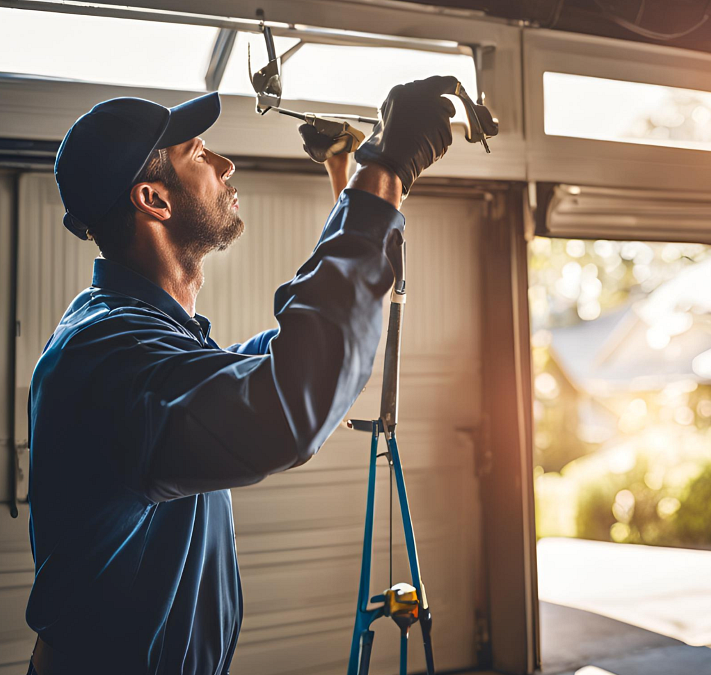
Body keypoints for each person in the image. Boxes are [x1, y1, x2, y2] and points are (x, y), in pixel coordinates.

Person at [25, 76, 460, 675]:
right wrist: (380, 176)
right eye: (200, 154)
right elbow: (293, 402)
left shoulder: (148, 337)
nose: (226, 163)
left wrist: (349, 180)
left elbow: (305, 362)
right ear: (154, 199)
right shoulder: (110, 355)